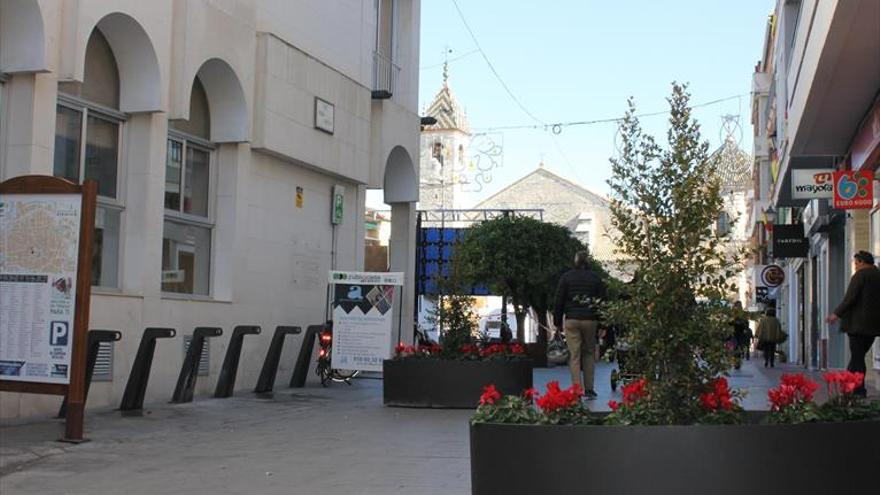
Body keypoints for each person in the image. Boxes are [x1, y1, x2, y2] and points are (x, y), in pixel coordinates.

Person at [826, 250, 880, 397]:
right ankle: (849, 385)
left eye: (856, 263)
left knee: (857, 358)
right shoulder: (878, 275)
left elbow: (850, 298)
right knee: (859, 356)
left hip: (857, 325)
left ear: (862, 262)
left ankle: (858, 389)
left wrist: (835, 314)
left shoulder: (860, 276)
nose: (855, 266)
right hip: (873, 326)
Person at [554, 250, 606, 399]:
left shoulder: (566, 277)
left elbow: (559, 300)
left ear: (575, 261)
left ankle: (577, 389)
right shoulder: (596, 278)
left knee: (574, 355)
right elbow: (603, 302)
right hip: (590, 320)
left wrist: (557, 322)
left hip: (572, 319)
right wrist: (603, 324)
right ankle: (589, 389)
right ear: (588, 261)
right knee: (589, 353)